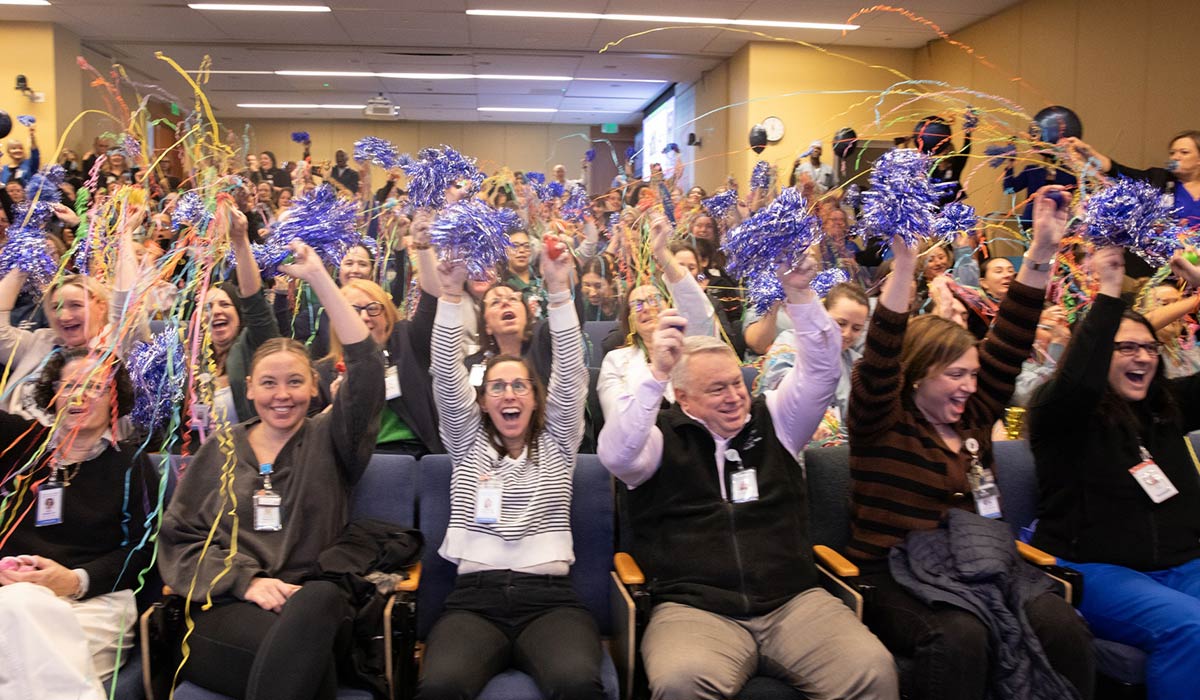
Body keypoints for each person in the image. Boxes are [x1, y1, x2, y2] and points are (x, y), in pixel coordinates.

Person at [597, 256, 898, 699]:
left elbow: (821, 371)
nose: (735, 397)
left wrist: (799, 293)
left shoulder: (776, 418)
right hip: (694, 609)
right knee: (681, 682)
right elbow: (616, 455)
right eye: (717, 389)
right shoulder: (659, 438)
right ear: (682, 397)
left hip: (794, 602)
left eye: (737, 383)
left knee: (873, 670)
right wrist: (656, 373)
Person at [845, 186, 1093, 700]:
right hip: (891, 572)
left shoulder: (975, 415)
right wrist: (906, 267)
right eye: (955, 375)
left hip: (978, 563)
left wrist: (1042, 252)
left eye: (973, 375)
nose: (969, 386)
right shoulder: (883, 422)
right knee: (962, 633)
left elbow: (1011, 338)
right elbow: (881, 355)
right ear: (917, 376)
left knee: (1061, 623)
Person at [159, 239, 385, 700]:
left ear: (315, 386)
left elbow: (366, 370)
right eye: (269, 383)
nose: (282, 395)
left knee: (319, 602)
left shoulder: (332, 438)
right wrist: (247, 582)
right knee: (303, 665)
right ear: (249, 388)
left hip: (313, 608)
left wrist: (320, 276)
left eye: (295, 382)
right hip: (228, 608)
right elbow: (181, 540)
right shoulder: (219, 450)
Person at [418, 235, 604, 699]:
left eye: (520, 386)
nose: (508, 395)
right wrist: (450, 294)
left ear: (536, 398)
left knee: (578, 685)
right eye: (496, 387)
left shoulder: (558, 442)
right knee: (439, 687)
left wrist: (560, 293)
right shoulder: (466, 439)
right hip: (473, 604)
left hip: (550, 604)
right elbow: (443, 371)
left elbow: (572, 373)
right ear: (481, 402)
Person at [1026, 246, 1200, 700]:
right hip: (1091, 569)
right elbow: (1079, 381)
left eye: (1148, 348)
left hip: (1182, 565)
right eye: (1125, 348)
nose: (1142, 357)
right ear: (1097, 352)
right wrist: (1109, 292)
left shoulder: (1165, 406)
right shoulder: (1059, 412)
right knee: (1191, 627)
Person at [0, 348, 155, 698]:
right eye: (69, 385)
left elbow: (142, 552)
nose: (79, 396)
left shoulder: (132, 464)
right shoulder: (18, 446)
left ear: (115, 399)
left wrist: (73, 580)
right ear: (53, 394)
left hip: (93, 603)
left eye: (95, 387)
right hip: (10, 592)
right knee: (19, 608)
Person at [597, 213, 717, 422]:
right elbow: (618, 422)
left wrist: (661, 251)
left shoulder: (691, 346)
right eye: (638, 305)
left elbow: (698, 310)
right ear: (630, 319)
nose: (646, 309)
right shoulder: (616, 361)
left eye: (654, 300)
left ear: (669, 308)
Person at [313, 276, 442, 457]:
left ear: (387, 316)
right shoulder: (325, 372)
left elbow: (432, 301)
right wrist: (338, 407)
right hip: (360, 464)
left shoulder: (408, 343)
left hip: (419, 455)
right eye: (353, 310)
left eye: (373, 308)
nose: (364, 317)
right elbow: (315, 436)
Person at [761, 282, 870, 446]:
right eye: (841, 323)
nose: (847, 334)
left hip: (841, 450)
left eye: (856, 328)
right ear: (823, 315)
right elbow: (779, 392)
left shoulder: (855, 362)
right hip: (788, 440)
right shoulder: (789, 342)